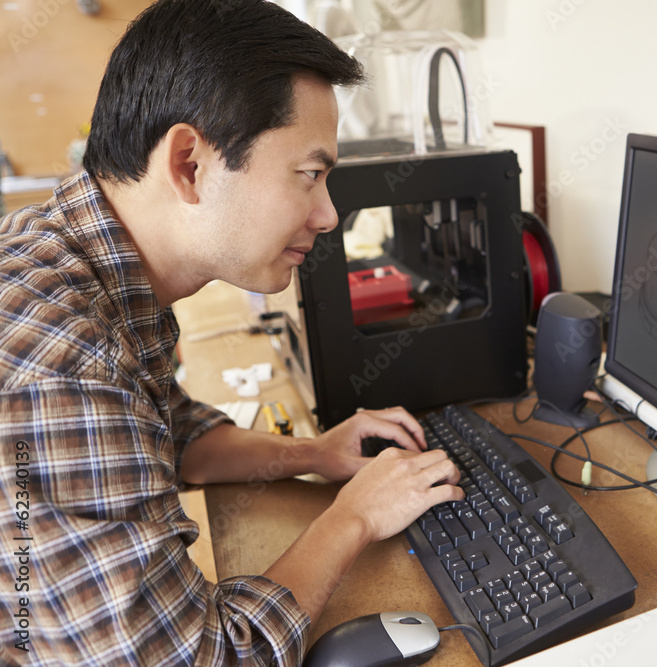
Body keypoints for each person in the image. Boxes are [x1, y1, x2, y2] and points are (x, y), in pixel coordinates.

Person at [0, 0, 463, 664]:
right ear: (189, 163)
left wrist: (317, 455)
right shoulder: (66, 363)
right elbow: (201, 657)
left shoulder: (74, 256)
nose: (328, 214)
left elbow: (170, 433)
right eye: (310, 175)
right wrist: (353, 515)